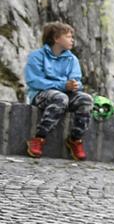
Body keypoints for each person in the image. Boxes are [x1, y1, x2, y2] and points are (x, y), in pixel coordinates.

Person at [24, 22, 93, 161]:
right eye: (68, 36)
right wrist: (62, 85)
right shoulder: (36, 56)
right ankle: (39, 138)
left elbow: (77, 80)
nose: (72, 40)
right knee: (60, 98)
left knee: (86, 99)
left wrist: (75, 85)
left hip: (65, 94)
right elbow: (33, 81)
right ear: (56, 39)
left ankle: (75, 139)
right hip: (41, 94)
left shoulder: (72, 59)